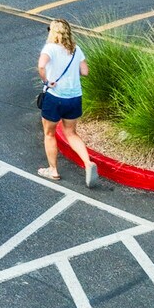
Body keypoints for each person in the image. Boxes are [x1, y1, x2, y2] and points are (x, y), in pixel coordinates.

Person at [36, 19, 97, 188]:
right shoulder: (76, 49)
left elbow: (41, 66)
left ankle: (53, 170)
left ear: (53, 32)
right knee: (71, 133)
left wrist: (47, 81)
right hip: (74, 98)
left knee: (49, 134)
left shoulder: (50, 48)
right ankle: (88, 163)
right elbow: (85, 71)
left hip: (55, 97)